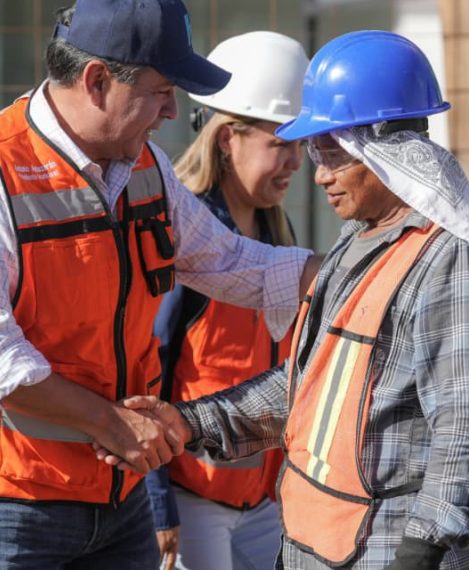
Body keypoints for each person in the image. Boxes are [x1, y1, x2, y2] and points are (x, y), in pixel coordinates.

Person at [0, 1, 317, 568]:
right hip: (6, 503)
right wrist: (111, 423)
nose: (175, 111)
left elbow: (228, 261)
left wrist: (362, 274)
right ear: (97, 81)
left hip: (117, 494)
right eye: (162, 90)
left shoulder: (145, 167)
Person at [104, 30, 469, 569]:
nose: (319, 173)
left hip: (390, 552)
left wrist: (423, 551)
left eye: (333, 154)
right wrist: (192, 424)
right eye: (313, 151)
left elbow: (468, 429)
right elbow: (312, 383)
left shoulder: (453, 262)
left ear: (383, 149)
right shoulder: (363, 241)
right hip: (321, 545)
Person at [144, 31, 308, 570]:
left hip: (265, 495)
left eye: (302, 144)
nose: (297, 162)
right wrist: (156, 499)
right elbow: (147, 370)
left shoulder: (278, 239)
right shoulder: (184, 241)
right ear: (225, 139)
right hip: (193, 498)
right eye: (281, 144)